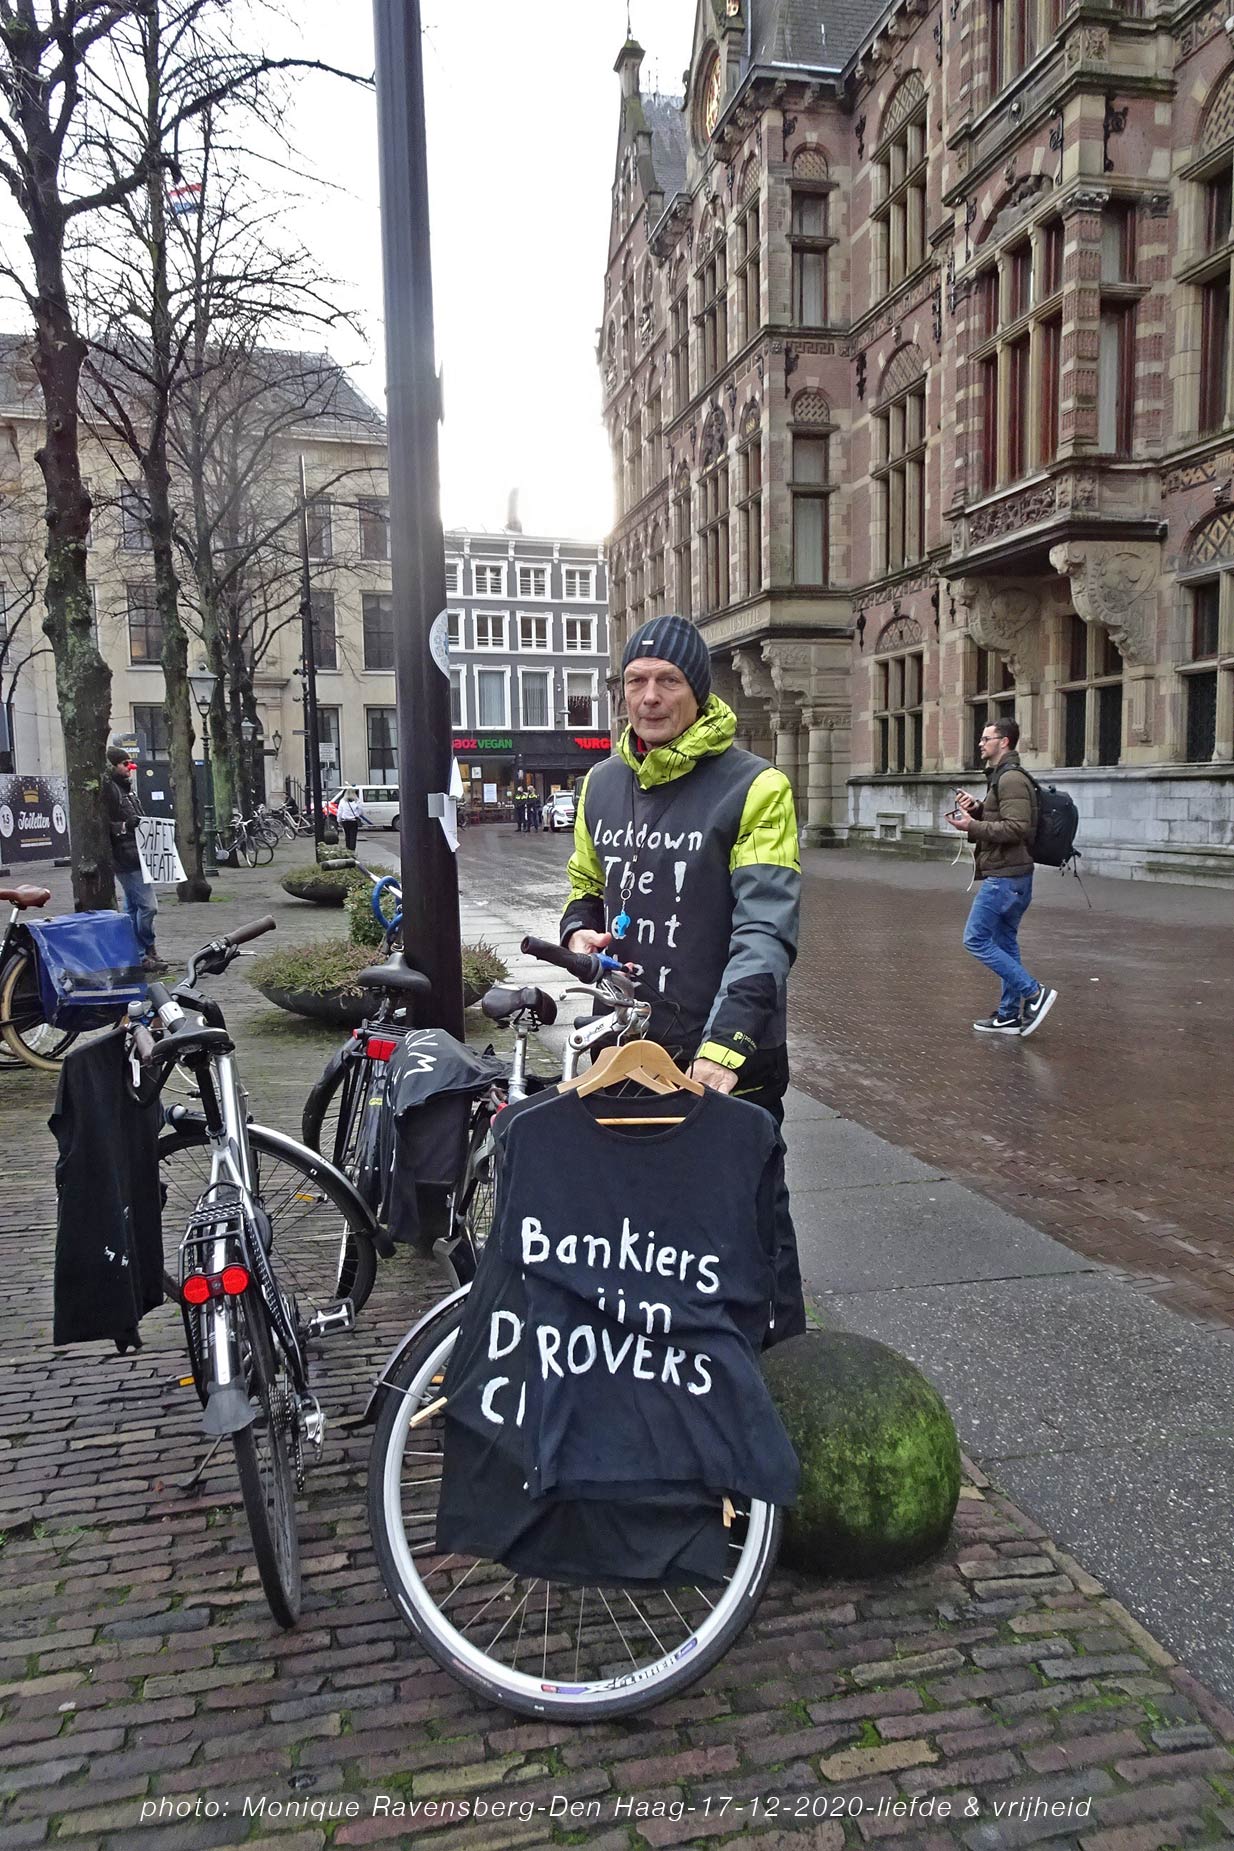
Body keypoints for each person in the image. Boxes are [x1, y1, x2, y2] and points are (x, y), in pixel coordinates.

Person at [560, 613, 800, 1116]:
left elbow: (765, 930)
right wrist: (578, 930)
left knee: (730, 1172)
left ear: (698, 691)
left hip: (719, 1062)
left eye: (669, 680)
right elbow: (586, 885)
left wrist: (725, 1047)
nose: (650, 697)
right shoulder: (599, 784)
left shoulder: (756, 787)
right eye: (636, 681)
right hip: (620, 1049)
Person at [948, 717, 1058, 1038]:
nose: (980, 744)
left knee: (975, 939)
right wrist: (977, 809)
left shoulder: (1010, 779)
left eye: (986, 739)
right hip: (1013, 877)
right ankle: (1009, 1015)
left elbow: (1017, 828)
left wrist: (972, 826)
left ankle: (1035, 993)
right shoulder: (1003, 777)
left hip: (1005, 878)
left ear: (1004, 742)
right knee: (1004, 943)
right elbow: (1004, 817)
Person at [103, 745, 166, 973]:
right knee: (149, 907)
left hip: (138, 855)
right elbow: (102, 824)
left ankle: (139, 954)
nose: (129, 767)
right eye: (124, 763)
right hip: (125, 858)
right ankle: (145, 947)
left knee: (132, 909)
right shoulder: (111, 791)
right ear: (113, 766)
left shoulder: (127, 790)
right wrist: (124, 826)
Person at [335, 787, 371, 854]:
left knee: (347, 836)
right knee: (353, 837)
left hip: (345, 821)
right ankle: (352, 851)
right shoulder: (357, 801)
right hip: (354, 821)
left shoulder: (342, 801)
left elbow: (340, 812)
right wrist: (357, 814)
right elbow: (361, 811)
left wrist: (338, 820)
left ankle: (348, 849)